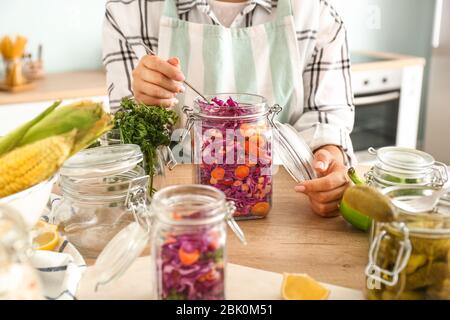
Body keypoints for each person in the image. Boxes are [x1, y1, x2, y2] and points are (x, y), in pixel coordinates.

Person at [103, 0, 355, 217]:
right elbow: (125, 151)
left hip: (282, 208)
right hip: (174, 210)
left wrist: (329, 160)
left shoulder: (318, 14)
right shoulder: (130, 12)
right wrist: (142, 105)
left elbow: (326, 121)